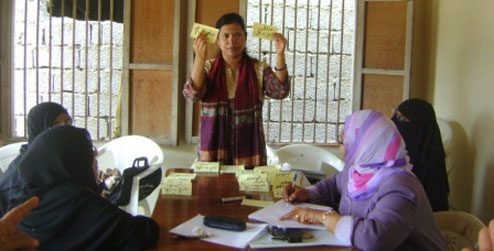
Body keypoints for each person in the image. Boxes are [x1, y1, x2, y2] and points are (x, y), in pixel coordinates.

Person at [280, 110, 449, 250]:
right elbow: (334, 184)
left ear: (364, 146)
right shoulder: (359, 169)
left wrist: (323, 217)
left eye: (344, 141)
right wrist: (308, 193)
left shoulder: (400, 187)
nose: (341, 145)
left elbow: (373, 239)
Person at [0, 126, 159, 250]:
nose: (96, 162)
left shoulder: (19, 200)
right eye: (90, 155)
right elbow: (145, 233)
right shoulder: (79, 202)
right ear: (75, 162)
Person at [183, 13, 290, 168]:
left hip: (249, 152)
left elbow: (280, 91)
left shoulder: (258, 68)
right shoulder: (208, 67)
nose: (231, 41)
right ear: (218, 40)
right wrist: (200, 57)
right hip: (213, 151)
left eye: (237, 35)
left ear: (245, 38)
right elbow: (192, 94)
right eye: (225, 36)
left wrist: (280, 54)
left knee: (248, 192)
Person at [0, 102, 72, 211]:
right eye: (55, 125)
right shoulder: (21, 181)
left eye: (67, 122)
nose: (64, 130)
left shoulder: (61, 160)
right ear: (38, 130)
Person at [391, 98, 449, 211]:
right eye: (396, 115)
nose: (395, 122)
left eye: (402, 119)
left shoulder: (431, 162)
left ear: (419, 126)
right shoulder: (398, 151)